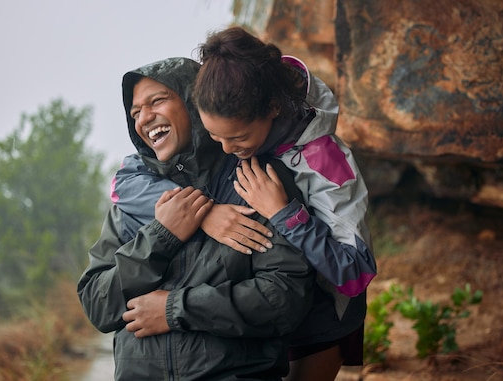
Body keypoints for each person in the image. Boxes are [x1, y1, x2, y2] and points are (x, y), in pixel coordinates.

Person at [113, 27, 377, 381]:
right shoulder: (226, 123)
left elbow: (354, 273)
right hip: (259, 320)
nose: (224, 149)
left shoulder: (323, 161)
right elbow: (123, 182)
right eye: (215, 136)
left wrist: (285, 214)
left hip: (321, 315)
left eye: (236, 138)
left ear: (272, 108)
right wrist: (204, 212)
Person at [77, 57, 315, 381]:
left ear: (194, 102)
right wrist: (161, 236)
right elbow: (98, 304)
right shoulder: (131, 205)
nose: (144, 118)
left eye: (157, 101)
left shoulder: (257, 182)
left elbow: (284, 297)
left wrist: (176, 309)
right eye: (135, 113)